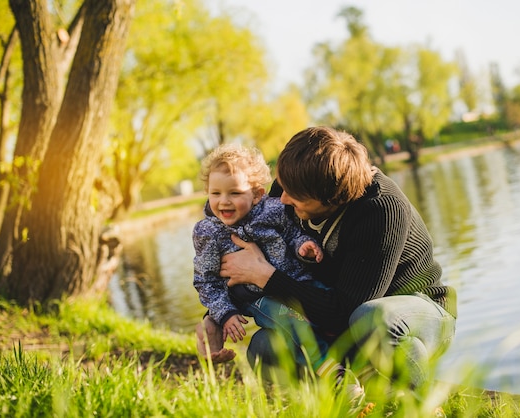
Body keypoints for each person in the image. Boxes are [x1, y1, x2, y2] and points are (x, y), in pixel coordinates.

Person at [210, 127, 458, 395]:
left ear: (333, 199)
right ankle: (345, 396)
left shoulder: (381, 209)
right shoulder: (295, 181)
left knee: (374, 318)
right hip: (339, 323)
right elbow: (242, 259)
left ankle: (419, 402)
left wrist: (266, 277)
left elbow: (345, 312)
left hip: (415, 314)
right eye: (282, 185)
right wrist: (216, 314)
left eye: (295, 197)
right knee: (263, 347)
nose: (282, 199)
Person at [193, 143, 329, 368]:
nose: (223, 201)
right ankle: (330, 371)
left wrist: (303, 245)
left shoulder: (273, 210)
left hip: (295, 281)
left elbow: (292, 233)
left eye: (234, 193)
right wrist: (225, 313)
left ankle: (353, 358)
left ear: (257, 194)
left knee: (326, 305)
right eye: (215, 193)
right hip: (255, 296)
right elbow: (206, 280)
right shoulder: (209, 232)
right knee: (291, 322)